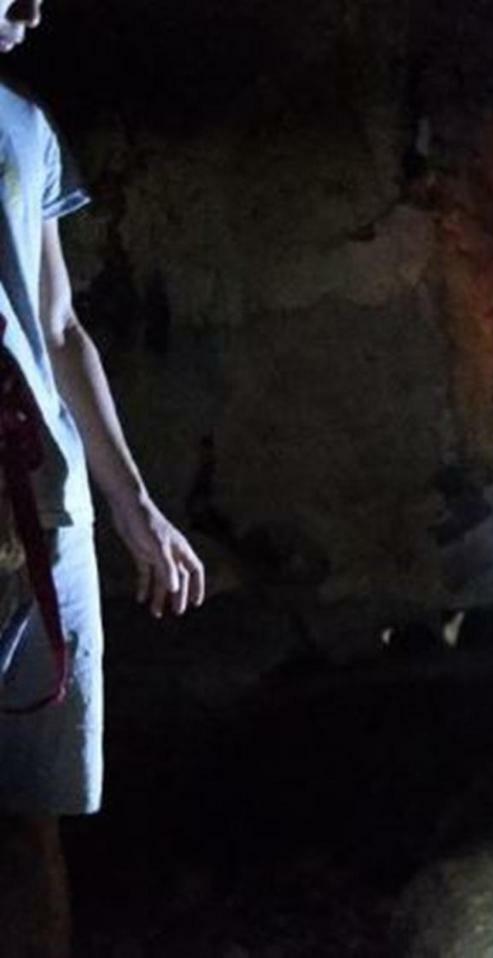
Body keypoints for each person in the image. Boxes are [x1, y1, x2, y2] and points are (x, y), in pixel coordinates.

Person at [0, 3, 206, 955]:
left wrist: (132, 505)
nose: (32, 10)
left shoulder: (25, 123)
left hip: (37, 505)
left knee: (26, 817)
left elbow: (59, 325)